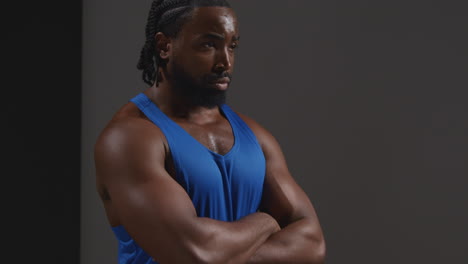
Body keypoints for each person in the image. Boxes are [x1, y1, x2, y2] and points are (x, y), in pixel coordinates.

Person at [94, 0, 326, 263]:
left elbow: (312, 244)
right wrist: (266, 221)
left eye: (232, 46)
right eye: (209, 45)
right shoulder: (129, 139)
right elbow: (196, 255)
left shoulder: (255, 136)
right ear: (164, 46)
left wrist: (226, 256)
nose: (224, 62)